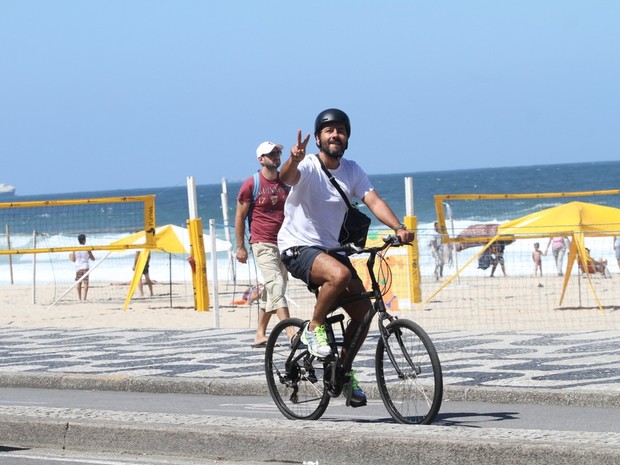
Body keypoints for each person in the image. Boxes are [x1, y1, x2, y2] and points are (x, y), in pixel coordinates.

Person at [277, 108, 414, 408]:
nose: (335, 134)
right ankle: (314, 327)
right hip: (297, 247)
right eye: (328, 130)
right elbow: (288, 177)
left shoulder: (352, 170)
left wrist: (399, 228)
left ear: (347, 137)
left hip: (332, 250)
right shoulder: (309, 165)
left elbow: (373, 201)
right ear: (317, 139)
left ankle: (342, 372)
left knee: (365, 313)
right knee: (339, 276)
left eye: (340, 130)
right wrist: (294, 159)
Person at [235, 141, 292, 348]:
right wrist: (240, 247)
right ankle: (290, 331)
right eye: (271, 154)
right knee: (276, 284)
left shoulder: (285, 182)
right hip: (262, 242)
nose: (276, 156)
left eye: (277, 153)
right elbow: (240, 217)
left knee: (273, 289)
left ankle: (260, 333)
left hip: (285, 243)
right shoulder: (252, 184)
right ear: (261, 159)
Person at [68, 234, 95, 301]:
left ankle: (80, 298)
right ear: (84, 240)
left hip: (78, 267)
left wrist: (70, 256)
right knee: (86, 282)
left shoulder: (75, 248)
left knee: (79, 283)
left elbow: (74, 260)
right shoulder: (87, 248)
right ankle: (84, 298)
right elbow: (93, 258)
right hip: (85, 266)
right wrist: (89, 257)